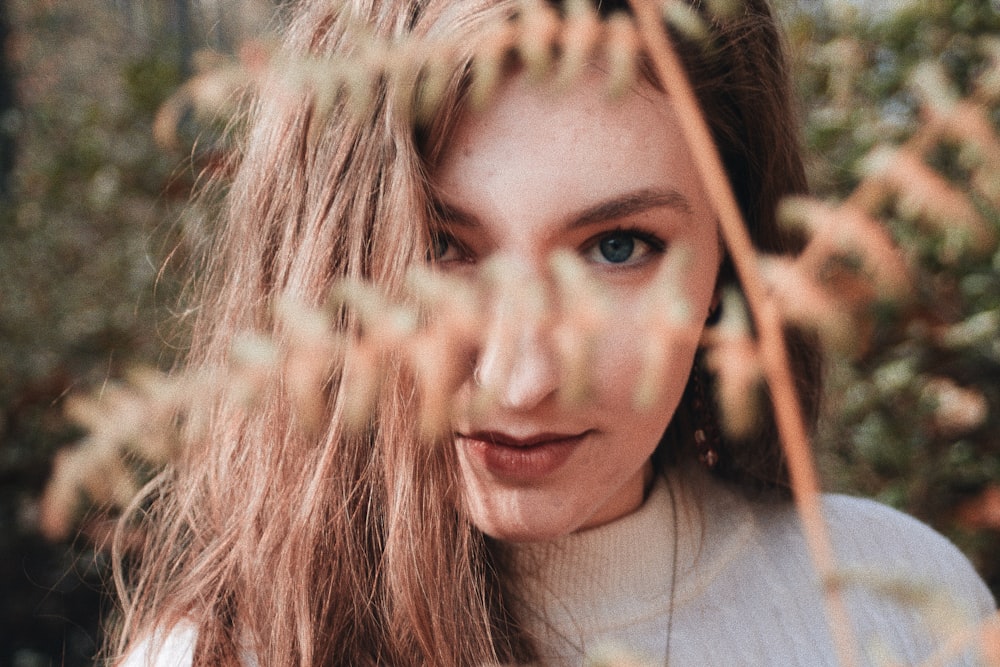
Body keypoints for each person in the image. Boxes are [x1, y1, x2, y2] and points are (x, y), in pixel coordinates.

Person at [114, 0, 996, 665]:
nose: (522, 378)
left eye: (619, 247)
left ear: (729, 265)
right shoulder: (225, 651)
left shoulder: (902, 603)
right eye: (438, 246)